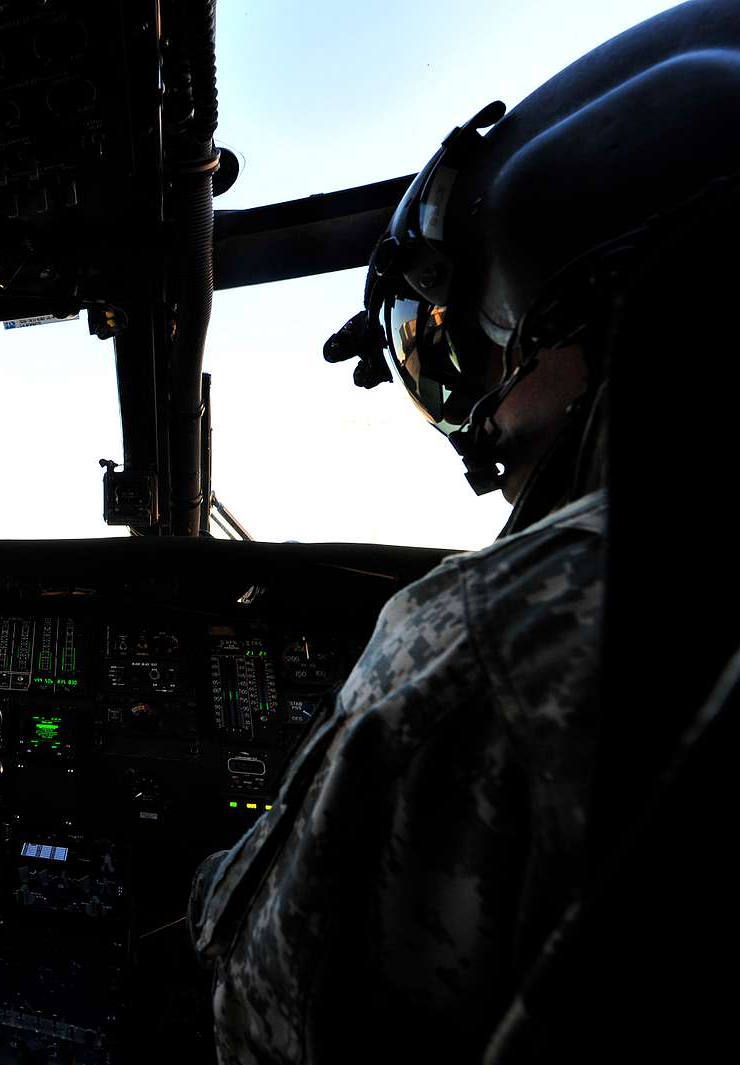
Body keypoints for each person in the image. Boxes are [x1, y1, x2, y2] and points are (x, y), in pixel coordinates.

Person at [188, 2, 740, 1061]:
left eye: (464, 372)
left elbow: (250, 1012)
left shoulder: (498, 629)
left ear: (585, 311)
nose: (478, 429)